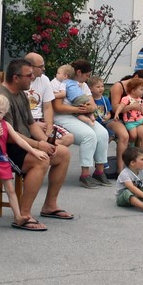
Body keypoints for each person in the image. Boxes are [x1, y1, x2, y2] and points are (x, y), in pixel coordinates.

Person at [0, 58, 74, 223]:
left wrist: (46, 142)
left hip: (22, 143)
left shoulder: (21, 93)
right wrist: (38, 145)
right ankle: (23, 215)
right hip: (2, 149)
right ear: (16, 78)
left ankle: (50, 206)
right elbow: (8, 135)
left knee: (63, 153)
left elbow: (31, 124)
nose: (33, 78)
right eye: (29, 75)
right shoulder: (0, 98)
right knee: (41, 160)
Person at [0, 92, 48, 230]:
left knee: (10, 189)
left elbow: (19, 140)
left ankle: (18, 216)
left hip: (2, 159)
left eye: (0, 112)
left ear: (5, 113)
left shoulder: (5, 125)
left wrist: (35, 151)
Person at [51, 59, 111, 188]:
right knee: (89, 135)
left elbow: (92, 105)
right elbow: (58, 107)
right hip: (63, 116)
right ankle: (85, 175)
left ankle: (99, 172)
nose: (88, 78)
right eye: (87, 75)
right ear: (79, 72)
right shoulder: (59, 83)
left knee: (103, 134)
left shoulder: (83, 85)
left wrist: (90, 108)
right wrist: (79, 109)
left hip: (80, 115)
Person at [24, 52, 72, 147]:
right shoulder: (20, 81)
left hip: (41, 120)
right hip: (25, 122)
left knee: (68, 138)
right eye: (41, 66)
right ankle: (49, 146)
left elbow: (48, 107)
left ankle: (49, 146)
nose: (44, 69)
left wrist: (49, 127)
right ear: (30, 67)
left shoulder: (44, 80)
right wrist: (32, 124)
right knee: (47, 141)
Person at [115, 146, 143, 214]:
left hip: (137, 195)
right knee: (126, 192)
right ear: (132, 163)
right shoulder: (125, 173)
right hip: (123, 198)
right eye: (142, 159)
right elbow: (131, 187)